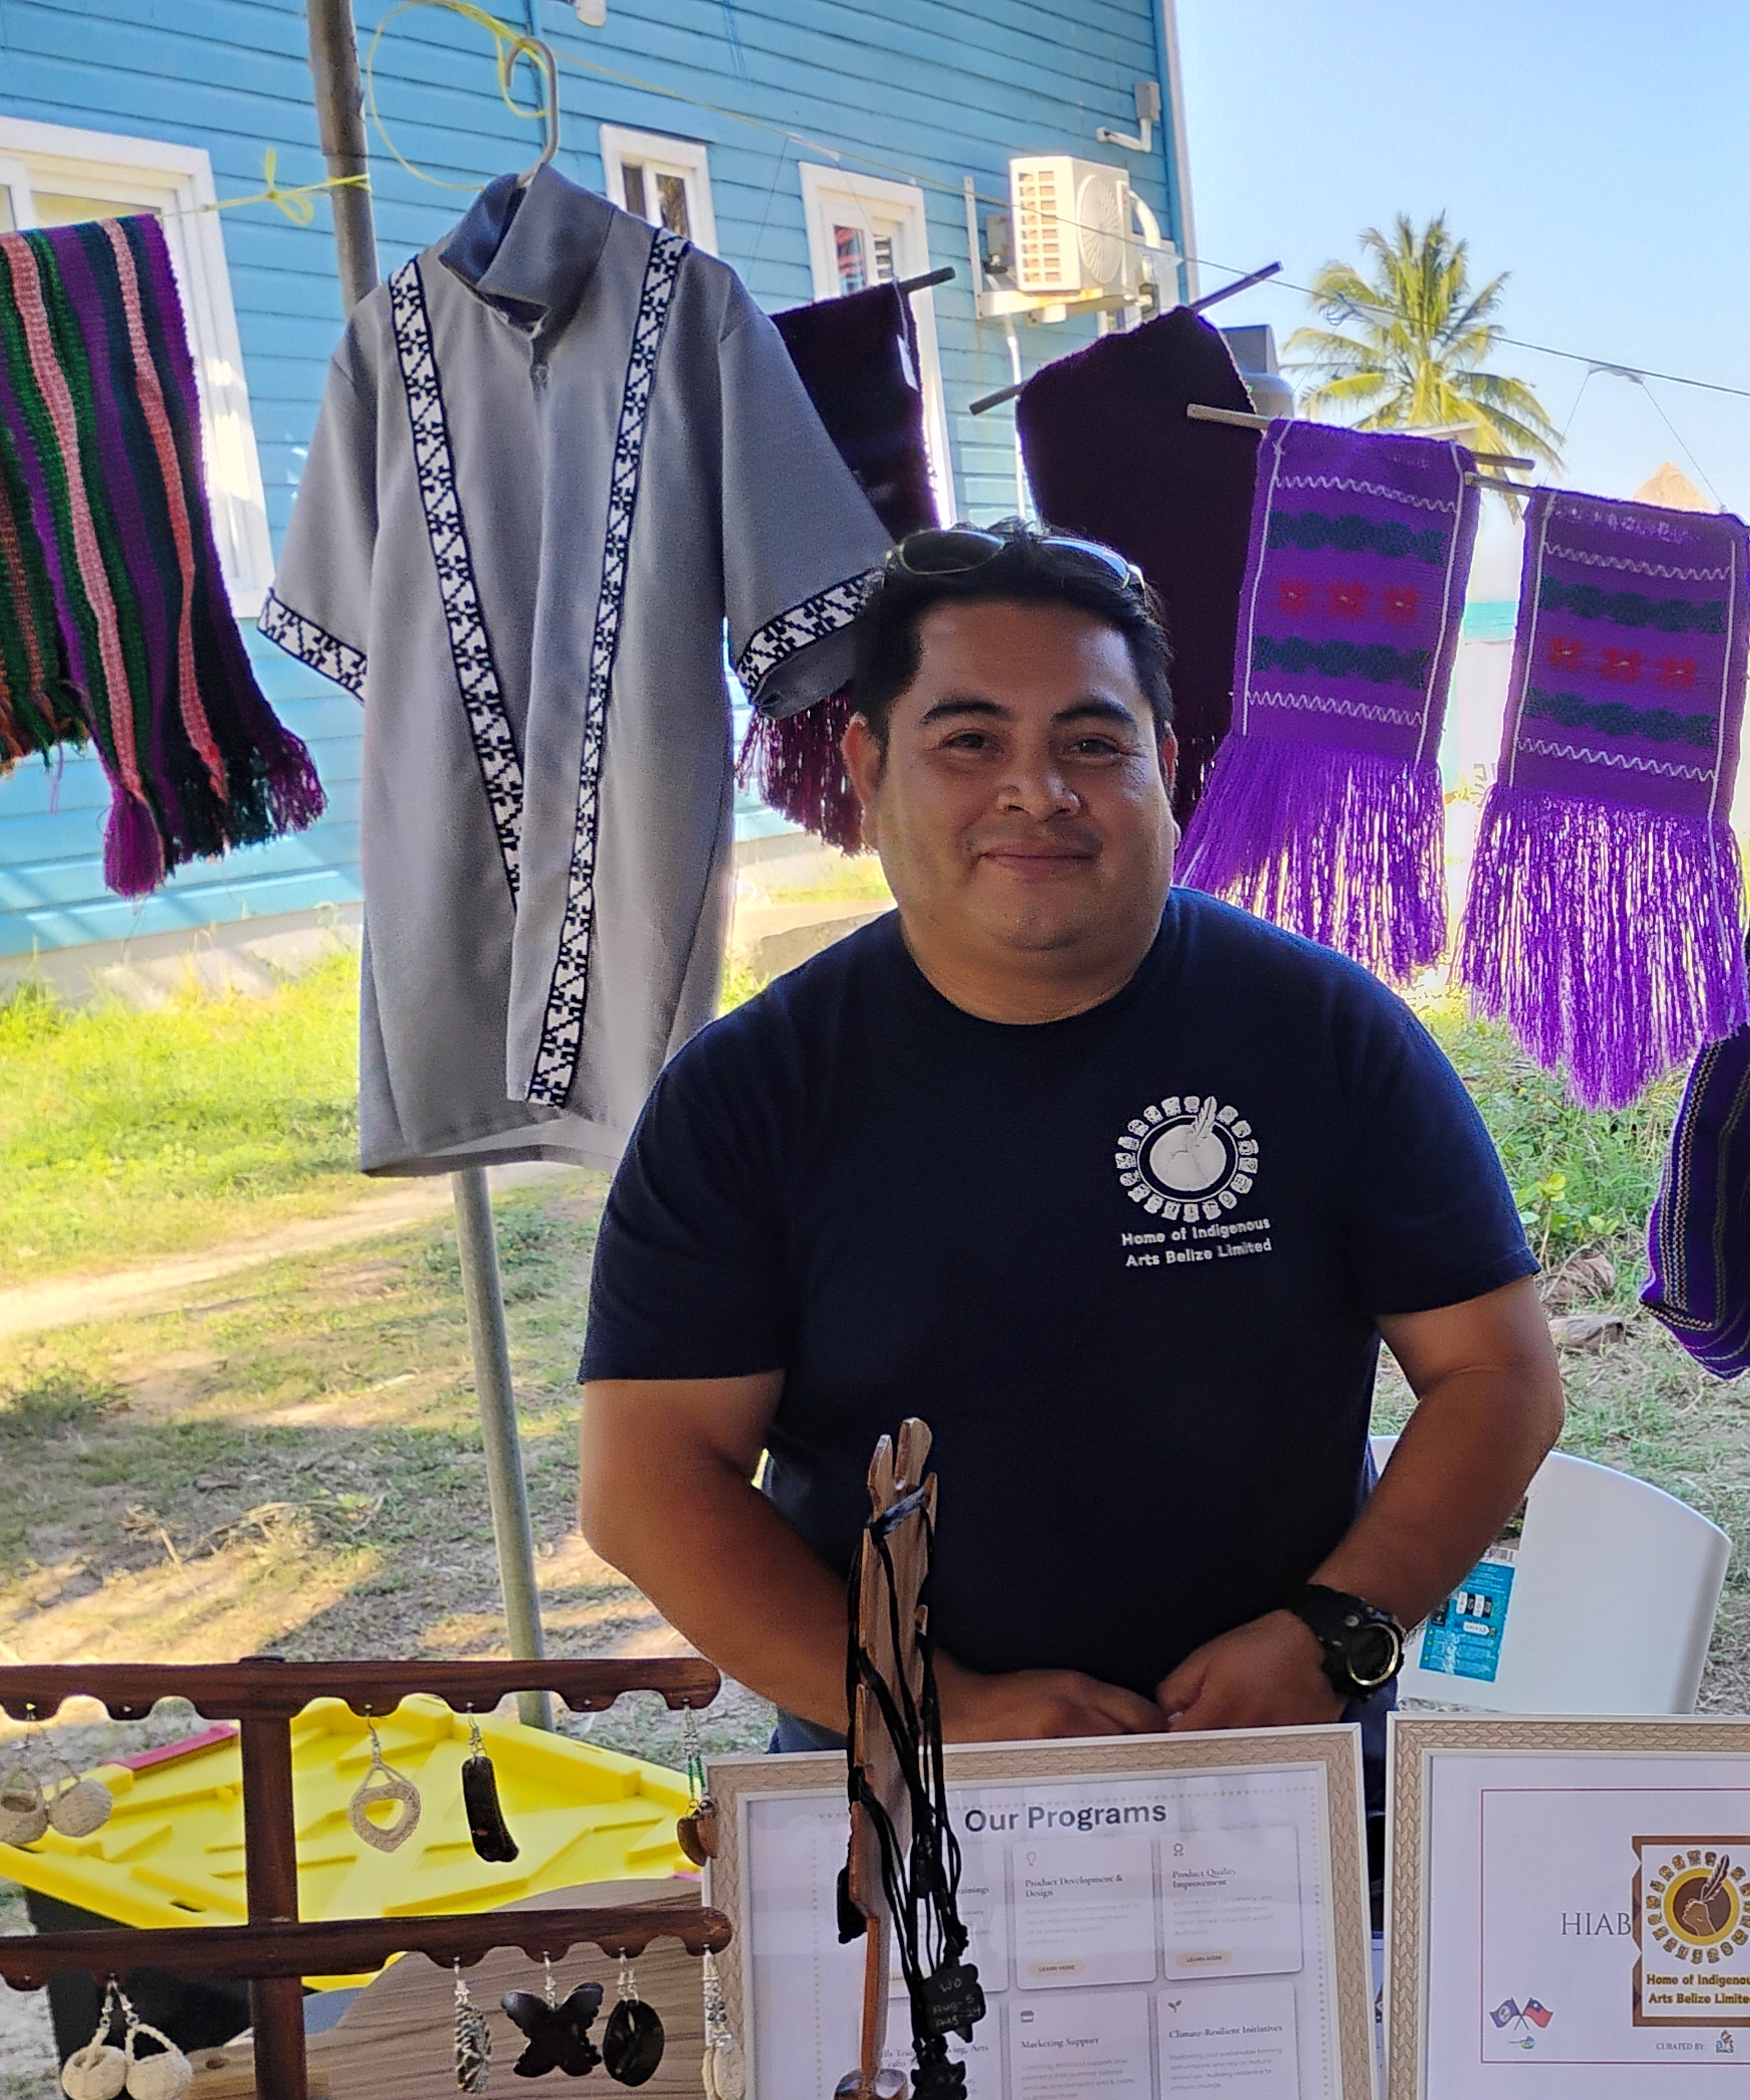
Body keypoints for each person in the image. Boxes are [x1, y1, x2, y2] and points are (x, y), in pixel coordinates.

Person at [576, 526, 1563, 1751]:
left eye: (1094, 744)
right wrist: (940, 1712)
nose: (1036, 791)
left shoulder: (1323, 1035)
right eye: (970, 741)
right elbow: (650, 1484)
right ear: (869, 766)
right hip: (899, 1784)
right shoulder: (747, 1094)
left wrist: (1335, 1632)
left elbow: (1497, 1375)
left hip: (1280, 1752)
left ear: (1166, 768)